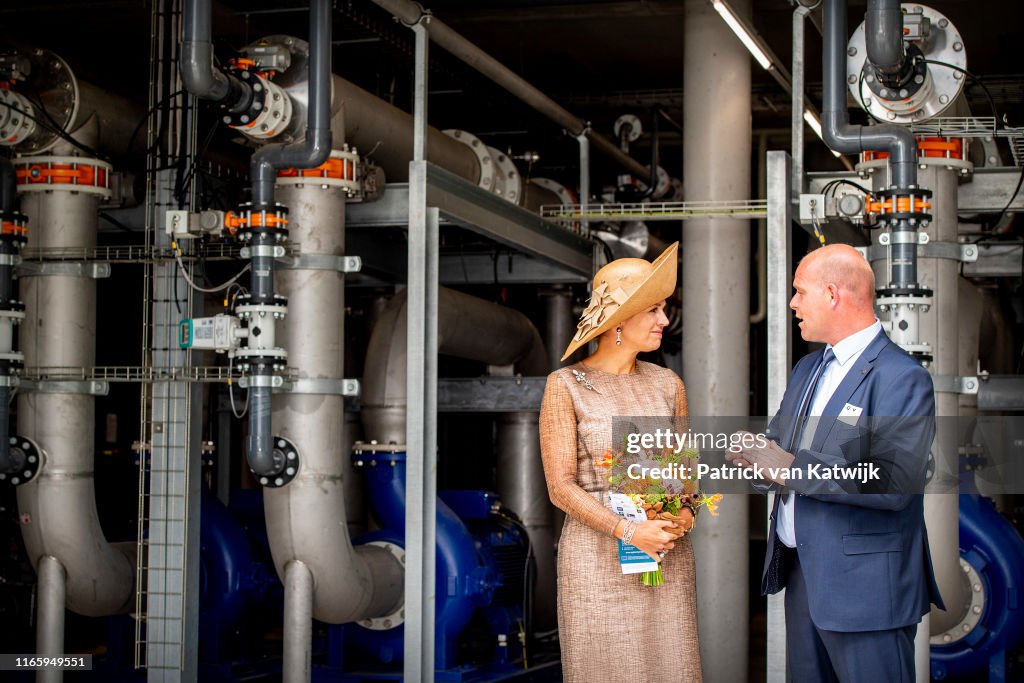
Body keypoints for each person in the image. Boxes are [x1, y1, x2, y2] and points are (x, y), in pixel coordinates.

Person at [727, 244, 943, 682]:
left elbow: (892, 482)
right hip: (804, 574)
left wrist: (788, 468)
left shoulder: (902, 378)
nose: (791, 303)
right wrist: (755, 458)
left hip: (867, 590)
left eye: (798, 292)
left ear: (831, 295)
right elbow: (781, 447)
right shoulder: (808, 368)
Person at [539, 241, 702, 682]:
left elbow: (686, 476)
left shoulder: (668, 384)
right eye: (653, 310)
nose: (664, 321)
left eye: (664, 309)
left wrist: (682, 516)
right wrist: (631, 530)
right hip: (597, 562)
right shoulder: (566, 385)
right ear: (617, 321)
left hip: (668, 556)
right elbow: (560, 486)